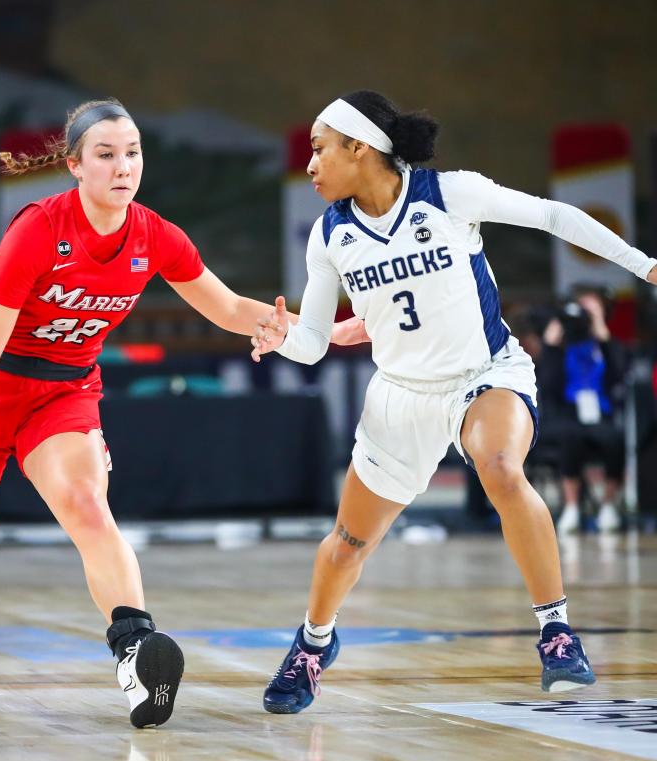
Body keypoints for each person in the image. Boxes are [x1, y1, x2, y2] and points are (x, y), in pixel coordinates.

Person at [0, 97, 368, 729]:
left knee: (87, 504)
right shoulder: (36, 229)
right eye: (106, 155)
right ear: (76, 166)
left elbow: (226, 308)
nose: (123, 166)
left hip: (63, 390)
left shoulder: (156, 235)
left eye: (132, 152)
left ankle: (136, 649)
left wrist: (327, 331)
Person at [250, 90, 657, 712]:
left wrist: (645, 265)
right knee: (348, 545)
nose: (309, 164)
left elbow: (554, 215)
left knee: (499, 465)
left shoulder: (447, 194)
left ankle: (556, 631)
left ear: (360, 149)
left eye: (319, 148)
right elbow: (312, 345)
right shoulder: (330, 235)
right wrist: (285, 338)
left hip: (485, 372)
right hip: (400, 396)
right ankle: (313, 643)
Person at [538, 288, 627, 533]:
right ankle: (572, 507)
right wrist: (550, 346)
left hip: (600, 414)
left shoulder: (605, 344)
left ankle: (608, 505)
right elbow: (548, 385)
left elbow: (618, 377)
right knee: (570, 436)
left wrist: (601, 333)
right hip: (567, 415)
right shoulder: (560, 345)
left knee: (616, 439)